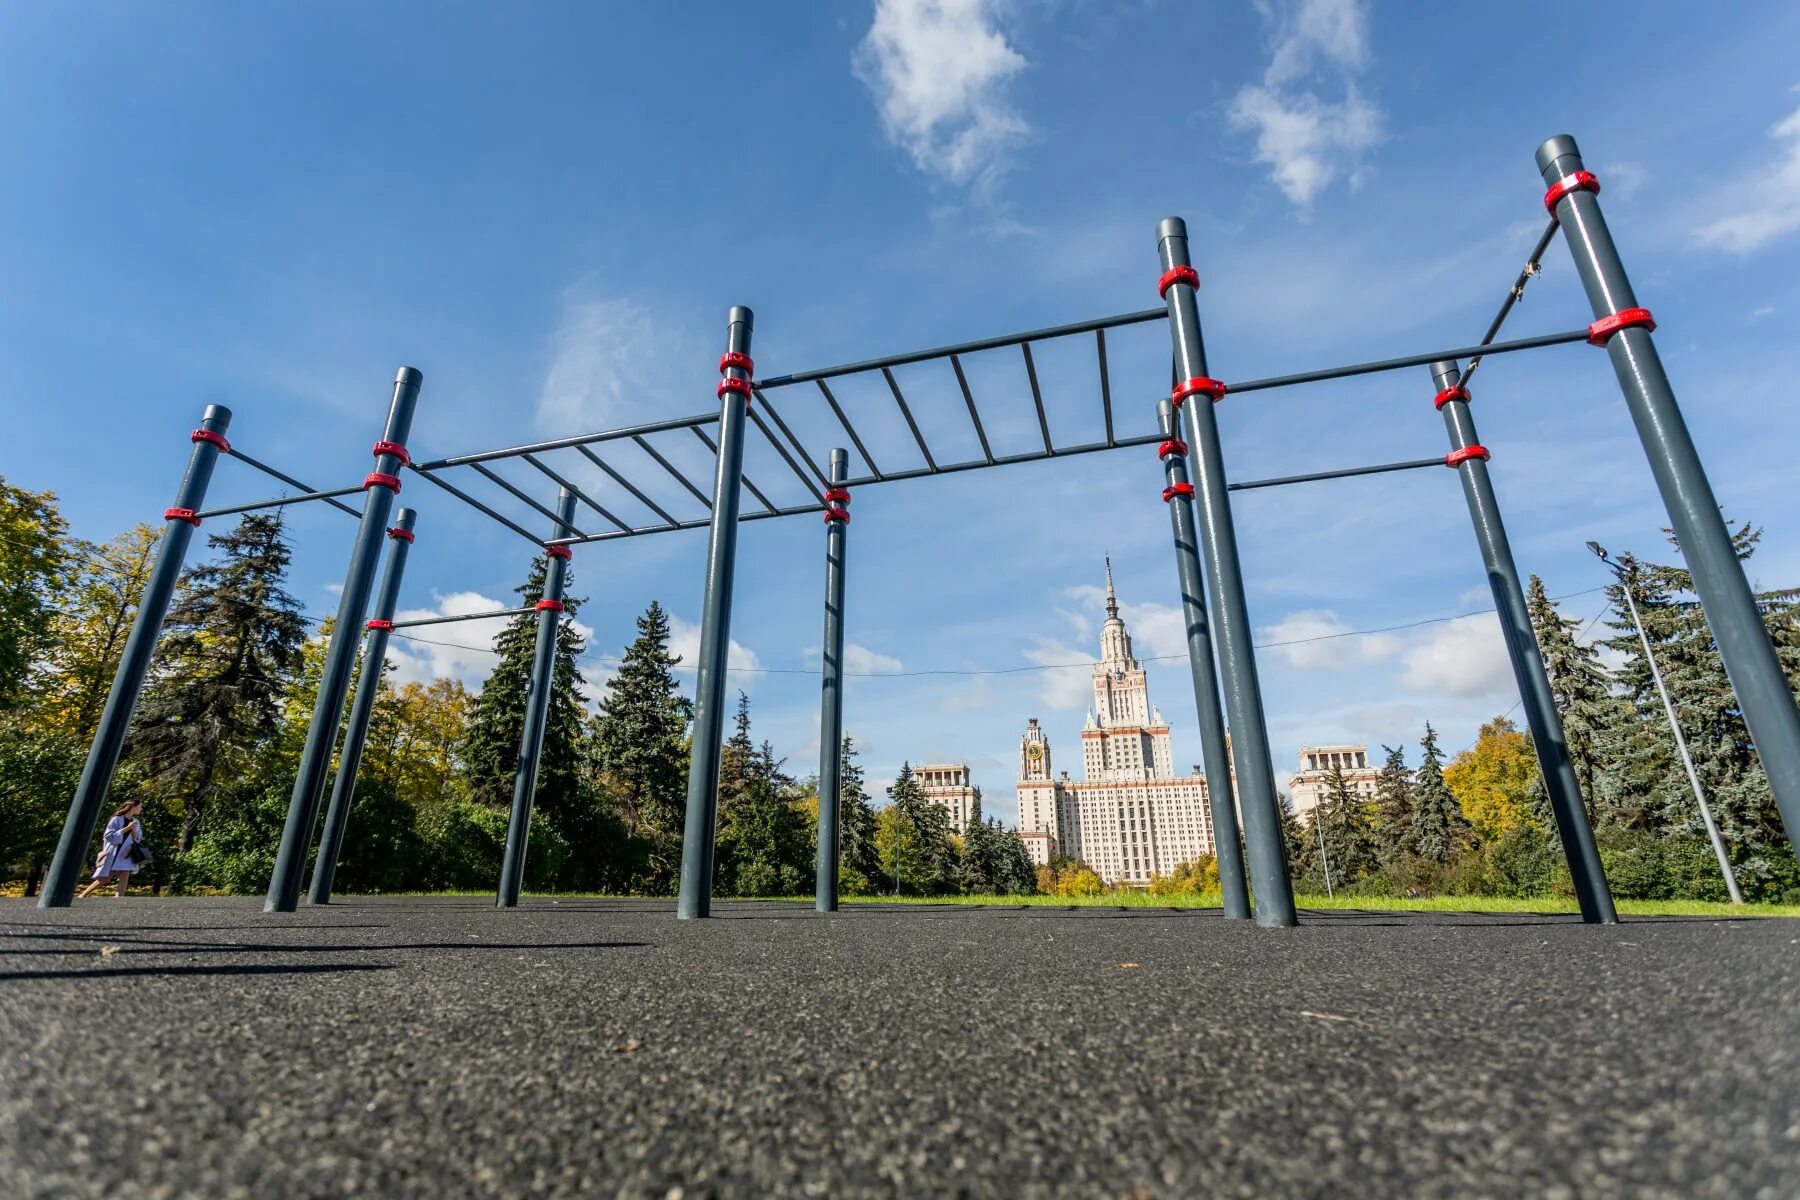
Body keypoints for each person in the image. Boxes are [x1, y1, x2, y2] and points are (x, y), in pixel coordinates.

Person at [77, 801, 146, 898]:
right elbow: (108, 836)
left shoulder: (136, 821)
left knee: (125, 873)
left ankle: (119, 898)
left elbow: (138, 838)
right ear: (133, 807)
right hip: (114, 852)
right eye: (140, 807)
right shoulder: (116, 819)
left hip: (127, 852)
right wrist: (127, 828)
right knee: (106, 877)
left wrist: (133, 830)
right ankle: (83, 895)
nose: (141, 809)